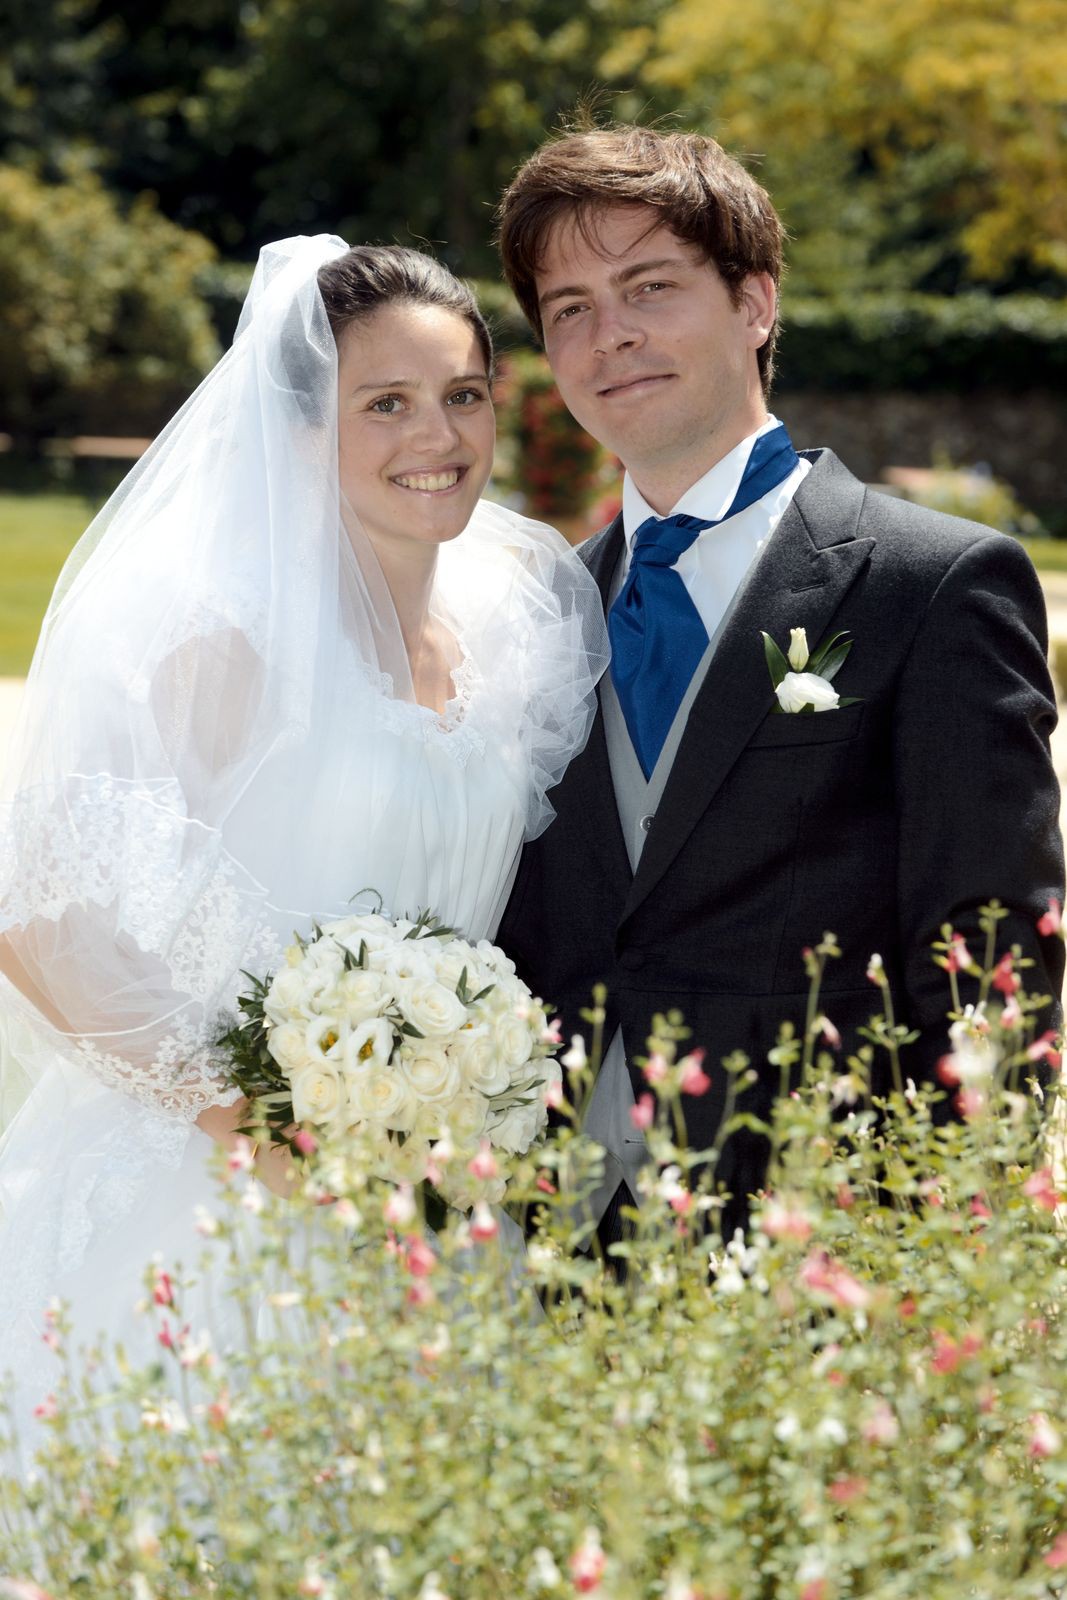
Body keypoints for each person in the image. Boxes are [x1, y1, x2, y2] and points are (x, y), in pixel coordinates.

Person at [0, 237, 608, 1460]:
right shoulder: (221, 644)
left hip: (433, 1198)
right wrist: (261, 1125)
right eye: (383, 403)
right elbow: (42, 922)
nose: (436, 435)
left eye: (462, 395)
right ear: (293, 431)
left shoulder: (515, 633)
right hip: (209, 1197)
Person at [494, 123, 1065, 1248]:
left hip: (818, 1229)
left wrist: (953, 1239)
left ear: (754, 303)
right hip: (551, 1232)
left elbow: (991, 948)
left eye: (649, 287)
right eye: (568, 308)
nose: (610, 335)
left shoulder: (932, 582)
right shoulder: (536, 611)